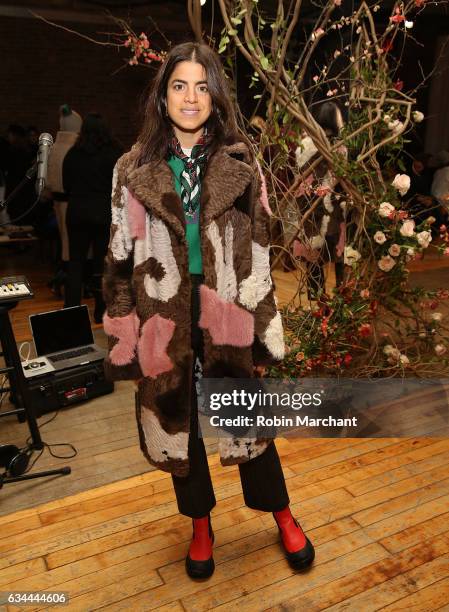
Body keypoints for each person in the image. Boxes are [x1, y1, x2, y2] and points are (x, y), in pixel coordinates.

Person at [102, 42, 315, 579]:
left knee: (249, 424)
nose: (190, 97)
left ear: (216, 98)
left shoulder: (242, 163)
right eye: (179, 85)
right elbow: (119, 259)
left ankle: (284, 515)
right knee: (180, 426)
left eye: (202, 86)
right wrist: (127, 344)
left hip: (229, 313)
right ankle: (200, 526)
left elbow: (262, 255)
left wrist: (265, 336)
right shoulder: (131, 169)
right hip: (162, 316)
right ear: (162, 97)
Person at [284, 102, 347, 297]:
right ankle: (341, 293)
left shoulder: (304, 145)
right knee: (338, 252)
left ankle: (316, 295)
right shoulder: (338, 147)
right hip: (332, 204)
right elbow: (341, 177)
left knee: (314, 252)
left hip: (307, 203)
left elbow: (298, 177)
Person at [63, 112, 122, 321]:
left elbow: (66, 186)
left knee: (76, 262)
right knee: (100, 263)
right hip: (104, 213)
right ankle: (100, 311)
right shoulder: (114, 153)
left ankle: (71, 310)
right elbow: (120, 186)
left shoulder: (73, 154)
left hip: (77, 211)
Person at [46, 105, 83, 296]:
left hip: (57, 203)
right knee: (75, 247)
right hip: (75, 203)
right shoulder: (75, 149)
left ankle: (62, 278)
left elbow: (47, 183)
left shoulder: (53, 148)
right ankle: (68, 281)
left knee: (65, 244)